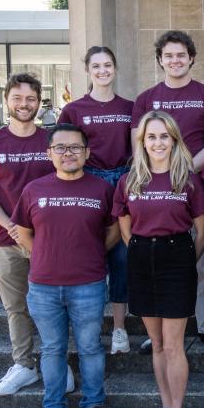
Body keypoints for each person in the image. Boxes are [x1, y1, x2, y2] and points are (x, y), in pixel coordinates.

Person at [12, 124, 118, 408]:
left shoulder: (101, 189)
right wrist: (44, 256)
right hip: (44, 286)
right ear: (49, 154)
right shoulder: (34, 189)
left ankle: (94, 407)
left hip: (88, 284)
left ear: (86, 153)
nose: (67, 153)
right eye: (60, 148)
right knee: (53, 349)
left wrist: (94, 253)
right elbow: (23, 232)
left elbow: (113, 231)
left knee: (90, 348)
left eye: (74, 148)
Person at [113, 111, 204, 408]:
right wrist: (143, 252)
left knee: (172, 345)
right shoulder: (130, 180)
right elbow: (124, 226)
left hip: (176, 259)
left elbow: (202, 231)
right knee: (155, 344)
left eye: (164, 136)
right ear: (142, 142)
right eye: (151, 137)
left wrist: (182, 259)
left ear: (174, 140)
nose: (158, 143)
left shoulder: (188, 180)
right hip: (141, 258)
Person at [132, 30, 204, 354]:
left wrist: (182, 172)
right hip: (154, 194)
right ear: (160, 60)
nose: (175, 60)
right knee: (158, 261)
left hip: (196, 187)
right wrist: (162, 171)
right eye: (169, 55)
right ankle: (158, 332)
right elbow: (139, 142)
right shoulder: (147, 98)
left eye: (181, 55)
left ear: (191, 58)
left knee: (200, 260)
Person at [0, 73, 55, 396]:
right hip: (4, 242)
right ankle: (24, 365)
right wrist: (11, 226)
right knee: (15, 307)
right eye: (18, 98)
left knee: (50, 307)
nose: (24, 104)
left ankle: (54, 363)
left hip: (46, 242)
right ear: (7, 100)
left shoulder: (50, 141)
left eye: (30, 99)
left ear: (39, 101)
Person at [59, 46, 133, 355]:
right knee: (89, 254)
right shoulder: (74, 110)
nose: (102, 70)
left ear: (115, 69)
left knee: (122, 257)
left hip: (123, 180)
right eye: (96, 66)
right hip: (88, 182)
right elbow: (62, 149)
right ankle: (86, 331)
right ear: (88, 71)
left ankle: (119, 329)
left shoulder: (131, 107)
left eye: (107, 65)